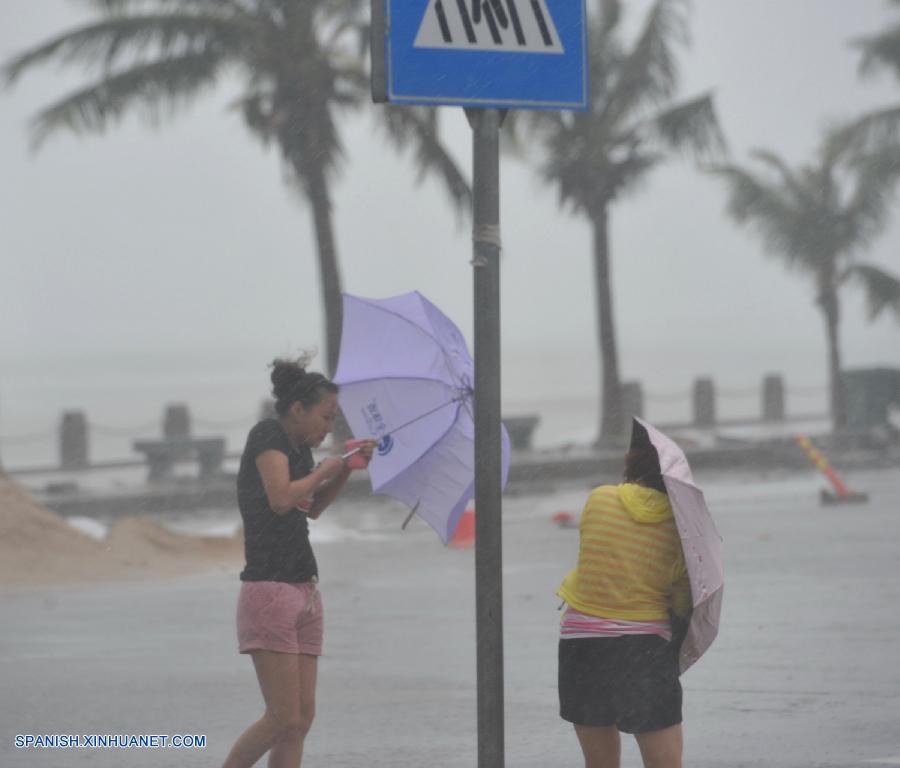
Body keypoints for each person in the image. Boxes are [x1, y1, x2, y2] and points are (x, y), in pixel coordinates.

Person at [222, 357, 374, 768]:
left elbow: (310, 508)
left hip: (304, 589)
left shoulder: (303, 455)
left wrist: (345, 470)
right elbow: (280, 498)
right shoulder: (267, 435)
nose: (329, 427)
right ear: (297, 409)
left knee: (301, 720)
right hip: (268, 588)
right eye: (326, 416)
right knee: (280, 717)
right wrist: (326, 467)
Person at [557, 422, 692, 768]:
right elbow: (681, 602)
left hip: (581, 643)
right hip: (641, 649)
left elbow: (598, 556)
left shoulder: (599, 498)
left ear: (632, 463)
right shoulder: (683, 529)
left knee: (599, 764)